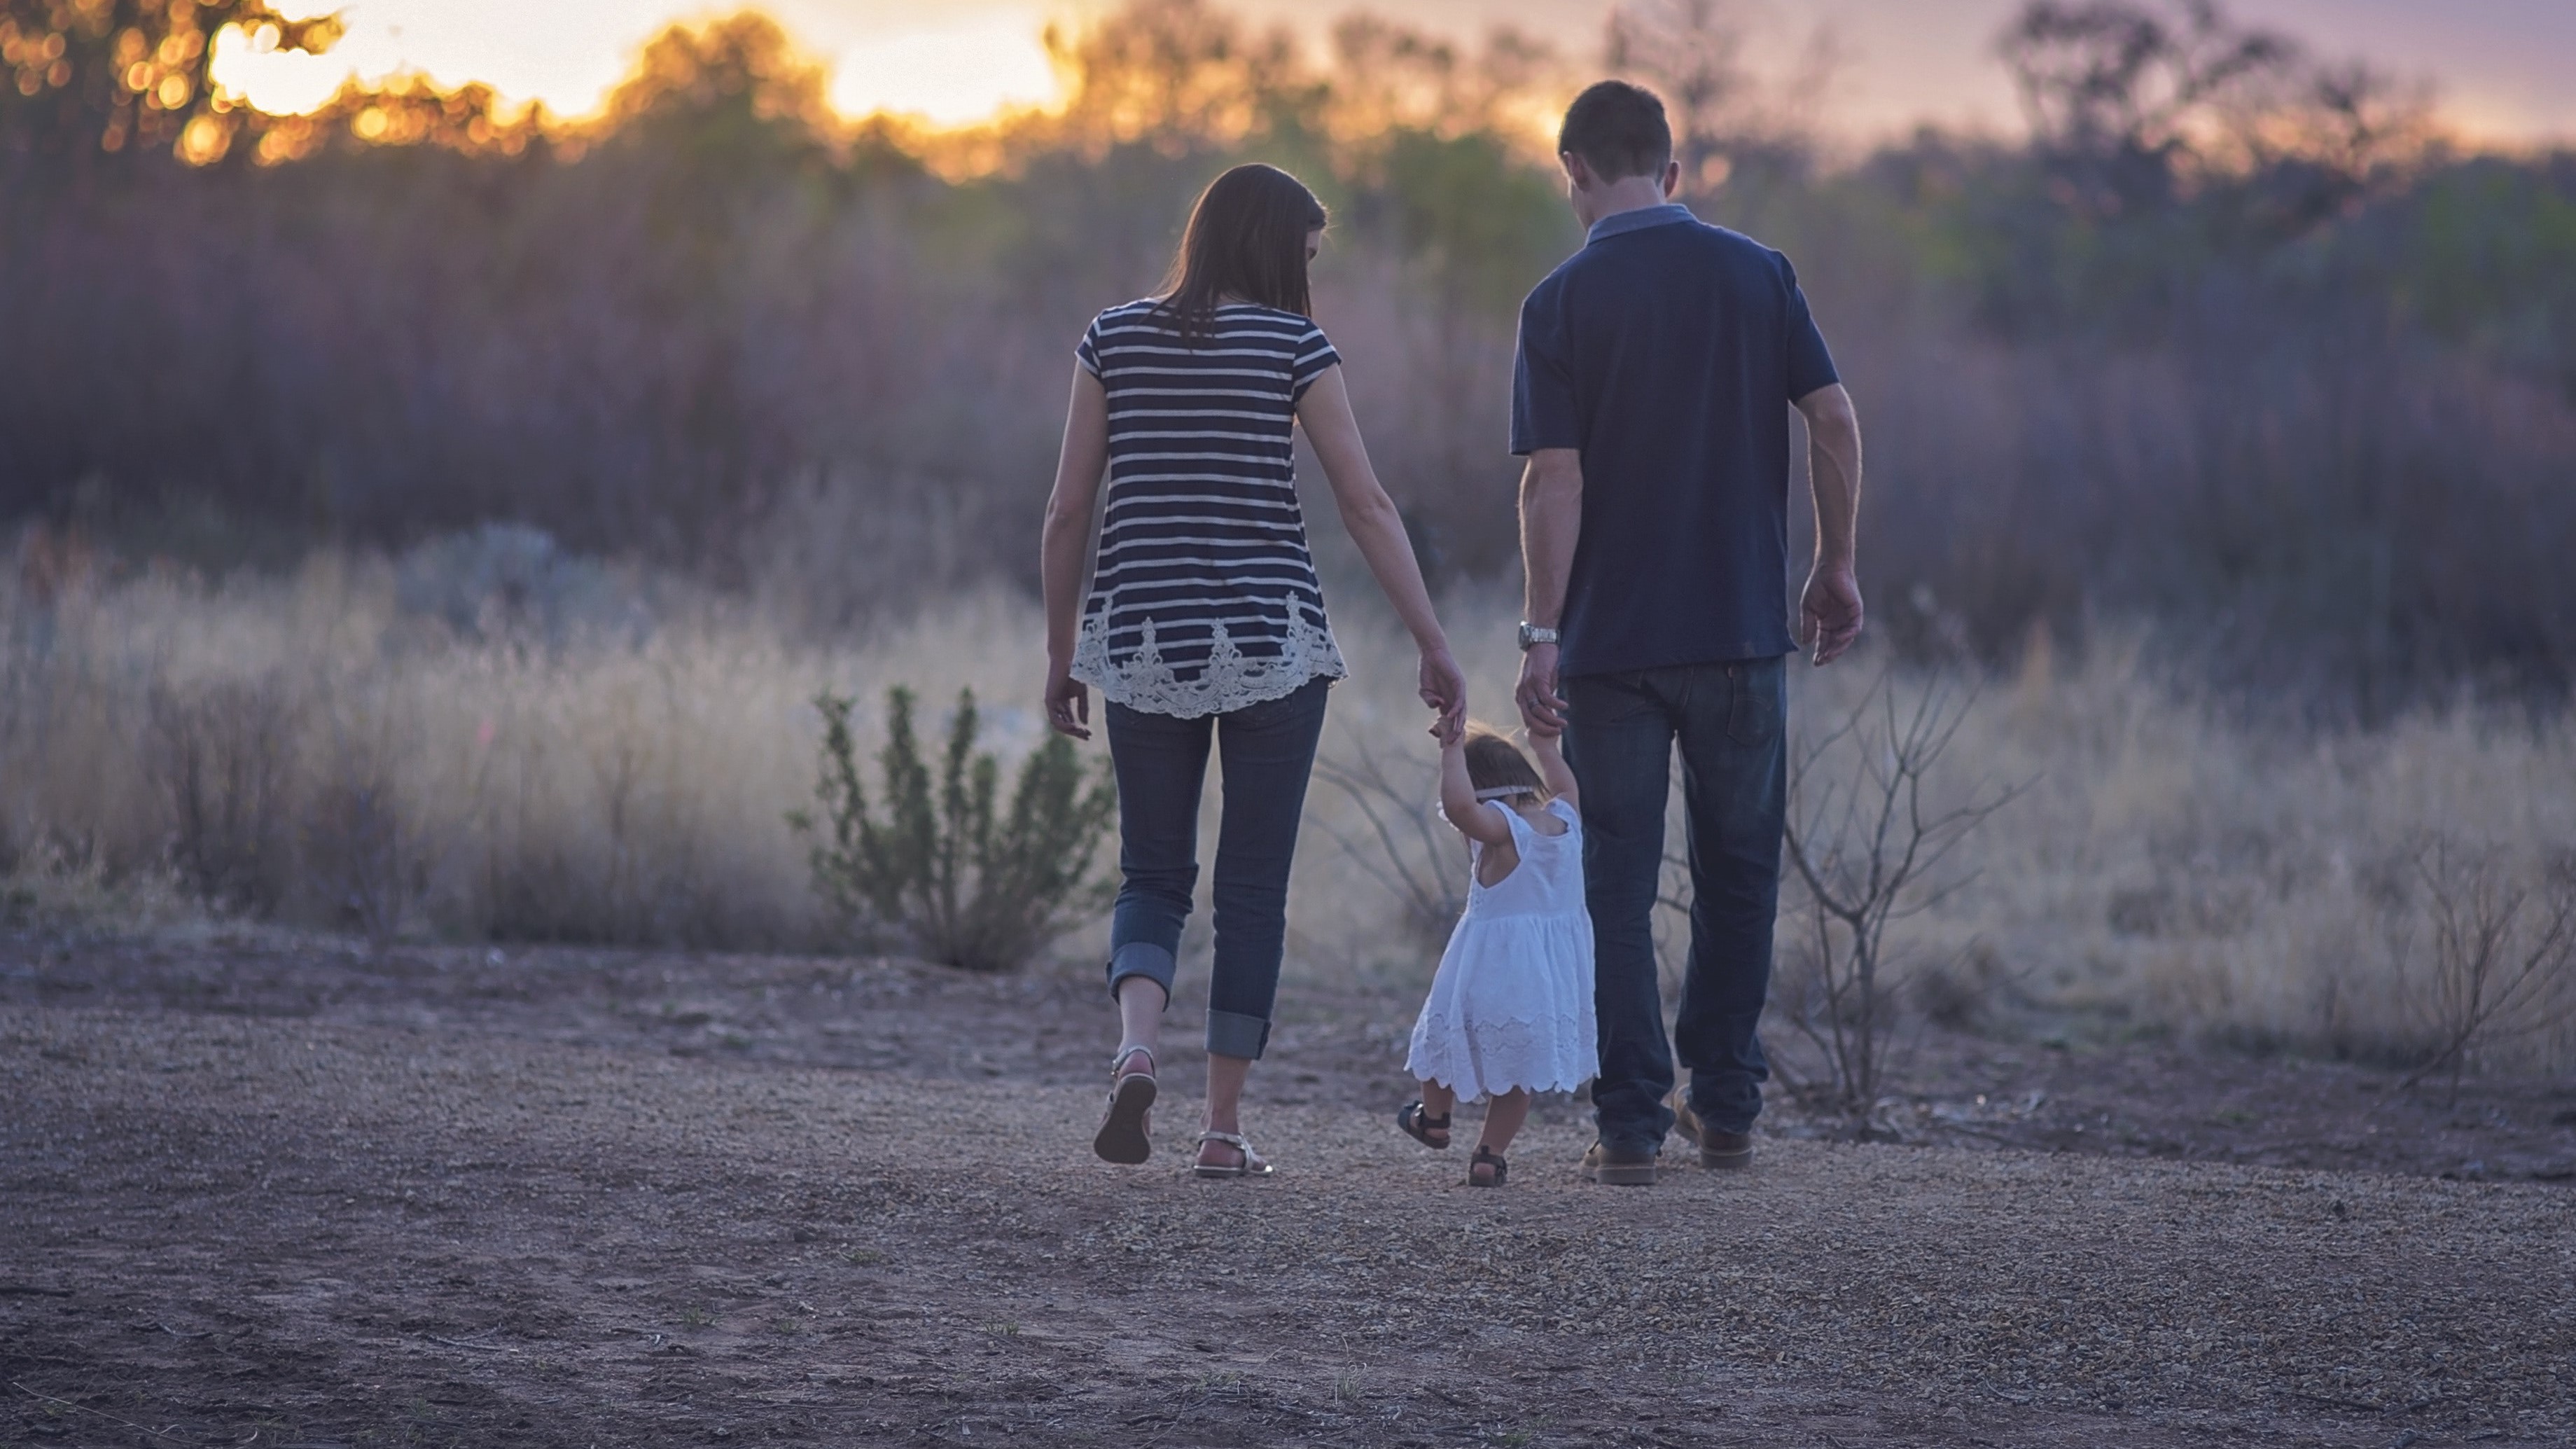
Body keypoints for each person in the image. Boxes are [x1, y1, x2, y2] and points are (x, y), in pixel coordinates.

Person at [1040, 162, 1468, 1179]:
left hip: (1141, 640)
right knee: (1251, 892)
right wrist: (1432, 639)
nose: (1308, 275)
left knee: (1151, 873)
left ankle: (1136, 1046)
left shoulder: (1111, 337)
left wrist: (1062, 654)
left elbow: (1065, 511)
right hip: (1272, 643)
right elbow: (1364, 505)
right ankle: (1221, 1129)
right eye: (1306, 254)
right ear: (1274, 248)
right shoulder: (1293, 346)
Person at [1510, 81, 1865, 1186]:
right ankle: (1726, 1107)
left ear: (1570, 170)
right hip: (1742, 632)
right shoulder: (1759, 275)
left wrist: (1538, 630)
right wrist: (1833, 563)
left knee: (1614, 883)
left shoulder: (1557, 302)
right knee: (1738, 872)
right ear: (1671, 169)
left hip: (1612, 648)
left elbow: (1550, 481)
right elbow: (1835, 418)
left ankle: (1626, 1125)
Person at [1396, 722, 1597, 1188]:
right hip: (1545, 978)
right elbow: (1565, 783)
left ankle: (1435, 1119)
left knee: (1441, 1041)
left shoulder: (1504, 829)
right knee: (1517, 1070)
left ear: (1487, 795)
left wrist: (1450, 752)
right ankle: (1489, 1155)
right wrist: (1546, 746)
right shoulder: (1566, 820)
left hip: (1488, 968)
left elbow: (1460, 807)